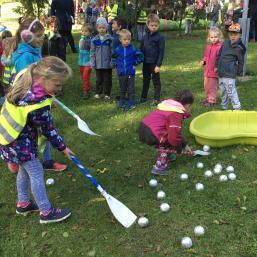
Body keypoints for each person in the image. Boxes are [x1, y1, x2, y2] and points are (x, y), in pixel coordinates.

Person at [0, 57, 73, 223]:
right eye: (57, 85)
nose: (60, 89)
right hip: (18, 142)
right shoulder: (36, 103)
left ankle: (23, 203)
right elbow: (48, 129)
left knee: (24, 170)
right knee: (36, 171)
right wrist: (63, 148)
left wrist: (49, 96)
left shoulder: (25, 76)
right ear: (44, 78)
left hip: (6, 136)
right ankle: (46, 212)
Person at [11, 17, 68, 172]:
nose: (42, 38)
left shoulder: (34, 51)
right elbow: (27, 83)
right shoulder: (26, 56)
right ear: (27, 36)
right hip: (31, 105)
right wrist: (43, 100)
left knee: (45, 130)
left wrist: (49, 96)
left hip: (40, 99)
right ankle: (26, 161)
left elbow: (42, 79)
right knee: (43, 130)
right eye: (39, 35)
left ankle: (45, 161)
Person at [139, 89, 194, 175]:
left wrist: (185, 145)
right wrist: (178, 148)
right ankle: (159, 167)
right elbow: (174, 137)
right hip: (152, 133)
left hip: (145, 128)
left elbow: (175, 132)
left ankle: (168, 155)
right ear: (188, 105)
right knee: (167, 143)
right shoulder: (175, 114)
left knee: (169, 138)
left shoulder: (169, 107)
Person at [216, 23, 246, 110]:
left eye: (235, 34)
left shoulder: (240, 48)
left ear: (239, 35)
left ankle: (237, 108)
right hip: (221, 73)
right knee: (223, 92)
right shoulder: (225, 43)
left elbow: (241, 61)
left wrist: (239, 72)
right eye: (231, 34)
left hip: (229, 74)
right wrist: (216, 66)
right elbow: (219, 55)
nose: (233, 36)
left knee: (231, 92)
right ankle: (224, 108)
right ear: (228, 35)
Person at [112, 29, 144, 111]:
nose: (127, 41)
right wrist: (116, 64)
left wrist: (135, 63)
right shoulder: (118, 49)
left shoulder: (133, 49)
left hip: (130, 72)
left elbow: (141, 56)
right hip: (121, 72)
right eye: (125, 40)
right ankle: (122, 100)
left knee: (131, 88)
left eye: (128, 40)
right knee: (122, 87)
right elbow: (113, 57)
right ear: (120, 40)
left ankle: (131, 102)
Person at [139, 14, 165, 107]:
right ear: (148, 25)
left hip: (154, 64)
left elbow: (161, 52)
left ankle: (157, 99)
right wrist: (138, 58)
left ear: (158, 25)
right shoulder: (145, 36)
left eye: (156, 25)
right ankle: (143, 97)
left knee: (156, 82)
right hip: (146, 63)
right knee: (145, 80)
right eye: (152, 25)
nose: (153, 27)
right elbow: (141, 48)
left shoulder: (160, 37)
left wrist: (158, 65)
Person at [90, 17, 113, 100]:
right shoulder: (94, 40)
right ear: (97, 28)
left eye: (103, 28)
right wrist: (92, 63)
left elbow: (112, 51)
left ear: (106, 28)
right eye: (100, 28)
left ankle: (107, 93)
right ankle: (98, 92)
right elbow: (92, 52)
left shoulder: (110, 39)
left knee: (107, 79)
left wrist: (112, 61)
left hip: (107, 64)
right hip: (98, 64)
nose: (102, 29)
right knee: (98, 79)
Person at [200, 27, 223, 107]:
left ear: (219, 37)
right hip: (207, 71)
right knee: (206, 85)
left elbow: (220, 59)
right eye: (211, 37)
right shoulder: (208, 46)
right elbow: (206, 56)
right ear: (209, 38)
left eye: (215, 37)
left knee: (212, 86)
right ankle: (208, 97)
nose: (213, 39)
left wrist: (218, 67)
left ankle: (212, 100)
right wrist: (204, 61)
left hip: (214, 71)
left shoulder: (220, 47)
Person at [78, 23, 93, 99]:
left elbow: (92, 51)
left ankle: (86, 91)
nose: (84, 32)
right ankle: (86, 87)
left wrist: (91, 61)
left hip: (88, 62)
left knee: (85, 76)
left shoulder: (91, 41)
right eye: (83, 31)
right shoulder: (81, 39)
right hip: (81, 62)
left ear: (90, 32)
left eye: (86, 31)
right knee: (83, 76)